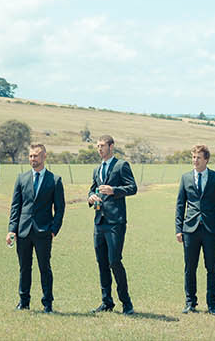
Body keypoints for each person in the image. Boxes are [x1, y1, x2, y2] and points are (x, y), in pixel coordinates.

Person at [6, 142, 65, 312]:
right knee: (24, 267)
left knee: (44, 268)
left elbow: (60, 209)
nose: (33, 159)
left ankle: (48, 303)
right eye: (31, 156)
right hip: (23, 231)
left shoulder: (54, 180)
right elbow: (15, 206)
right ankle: (23, 301)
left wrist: (54, 229)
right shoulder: (21, 178)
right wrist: (12, 229)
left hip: (44, 231)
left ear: (44, 156)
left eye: (36, 155)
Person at [174, 143, 215, 315]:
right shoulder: (185, 178)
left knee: (211, 267)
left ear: (206, 159)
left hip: (211, 229)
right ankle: (190, 303)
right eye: (193, 157)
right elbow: (180, 205)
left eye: (198, 157)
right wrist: (178, 228)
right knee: (190, 267)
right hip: (190, 229)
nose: (194, 160)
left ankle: (212, 304)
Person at [87, 134, 138, 314]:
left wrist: (113, 190)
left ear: (111, 146)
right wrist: (90, 197)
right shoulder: (96, 169)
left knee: (114, 261)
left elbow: (133, 188)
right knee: (102, 263)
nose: (99, 149)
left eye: (102, 145)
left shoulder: (121, 165)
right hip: (99, 221)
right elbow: (92, 189)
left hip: (116, 222)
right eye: (98, 146)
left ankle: (127, 303)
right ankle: (107, 302)